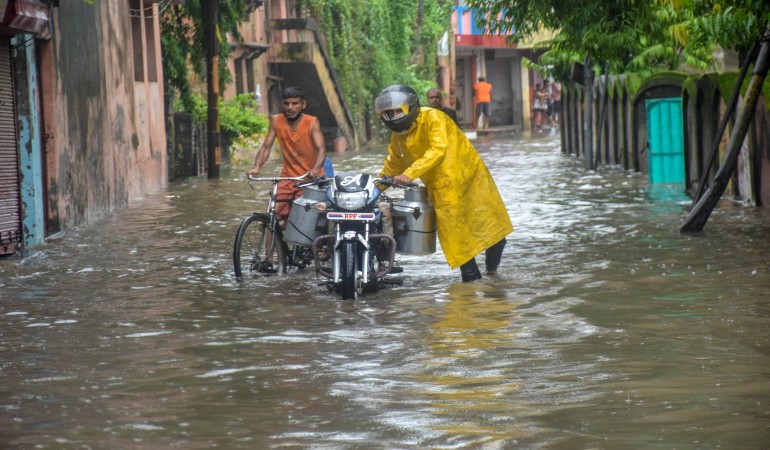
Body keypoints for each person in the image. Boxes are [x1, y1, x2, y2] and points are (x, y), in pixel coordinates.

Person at [374, 84, 513, 282]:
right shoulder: (398, 137)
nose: (392, 116)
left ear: (409, 107)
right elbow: (392, 166)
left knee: (494, 232)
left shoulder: (434, 118)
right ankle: (472, 283)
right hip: (443, 190)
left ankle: (492, 276)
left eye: (396, 111)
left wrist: (410, 173)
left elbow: (437, 150)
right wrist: (371, 190)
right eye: (388, 113)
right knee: (457, 241)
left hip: (471, 179)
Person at [248, 86, 326, 221]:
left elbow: (321, 149)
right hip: (287, 178)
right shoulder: (276, 121)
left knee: (304, 218)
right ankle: (269, 241)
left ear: (303, 105)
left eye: (295, 103)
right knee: (273, 215)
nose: (290, 107)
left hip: (310, 178)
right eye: (286, 103)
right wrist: (257, 167)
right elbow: (266, 147)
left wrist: (316, 169)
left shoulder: (312, 122)